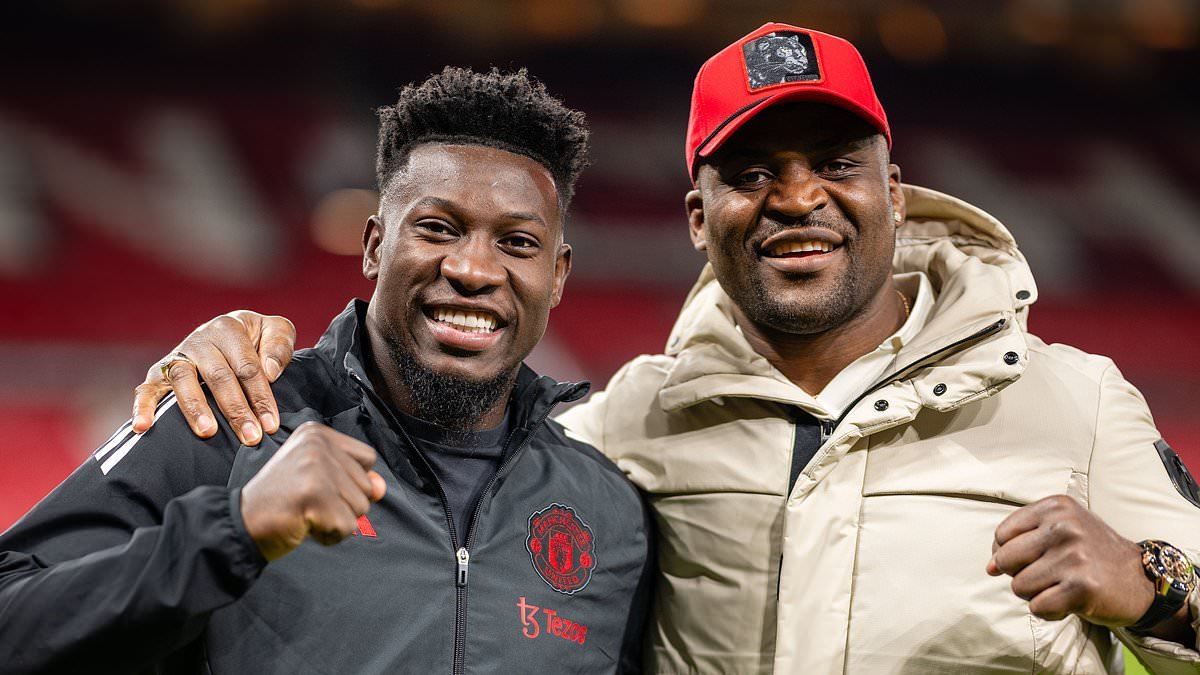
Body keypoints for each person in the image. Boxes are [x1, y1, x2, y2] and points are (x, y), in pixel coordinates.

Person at [128, 24, 1200, 674]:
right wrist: (232, 348)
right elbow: (438, 415)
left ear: (893, 189)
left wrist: (1155, 587)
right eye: (750, 173)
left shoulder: (1076, 400)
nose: (795, 198)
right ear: (698, 215)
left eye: (833, 160)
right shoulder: (620, 427)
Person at [0, 67, 652, 674]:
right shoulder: (234, 415)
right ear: (374, 245)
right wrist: (232, 531)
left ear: (558, 274)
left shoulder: (611, 511)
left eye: (517, 243)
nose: (474, 270)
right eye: (437, 227)